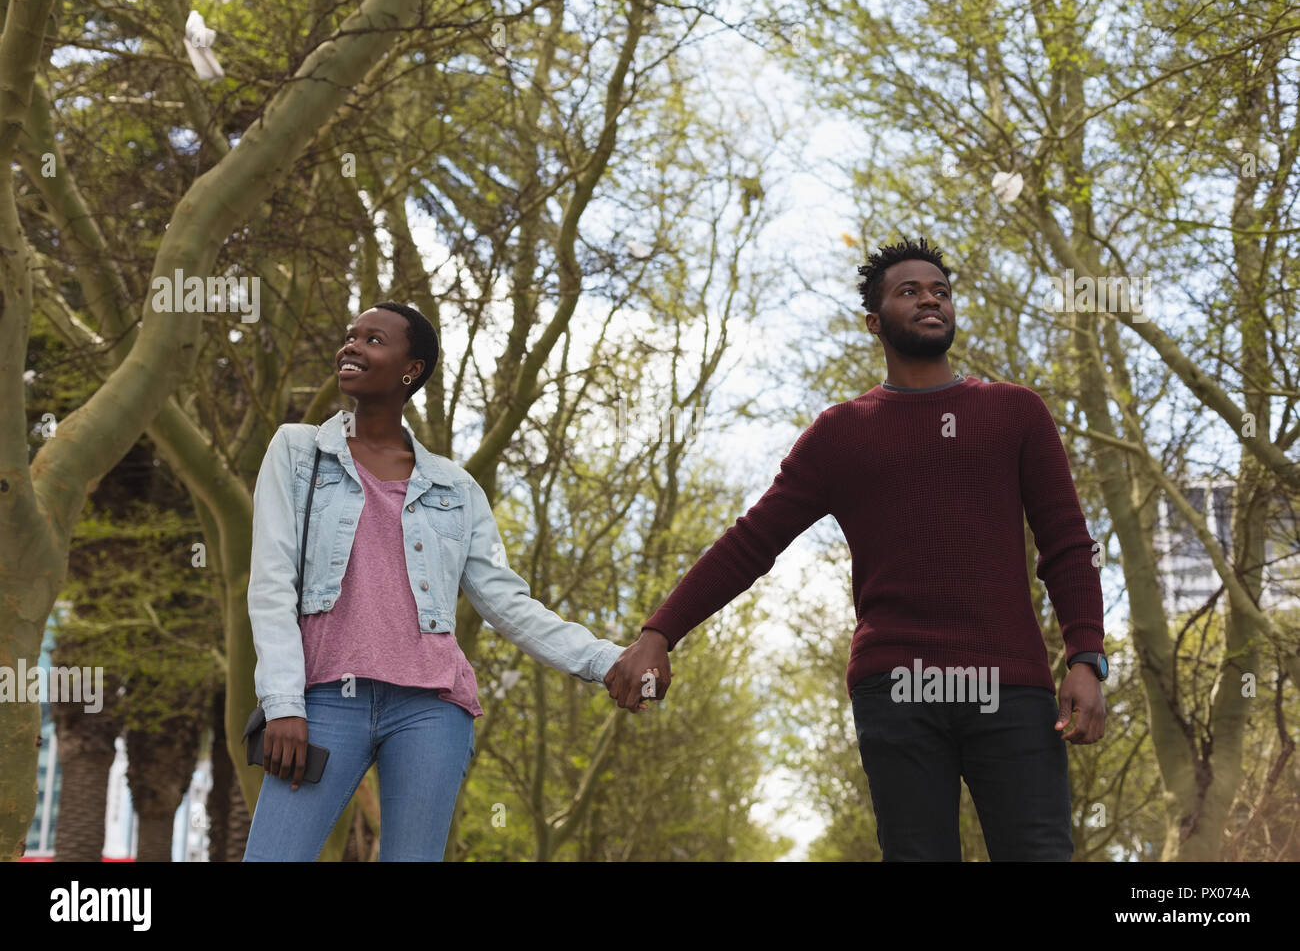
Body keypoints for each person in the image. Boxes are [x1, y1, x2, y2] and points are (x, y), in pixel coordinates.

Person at [606, 236, 1108, 860]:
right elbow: (751, 542)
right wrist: (659, 633)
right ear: (875, 322)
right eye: (910, 290)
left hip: (1010, 684)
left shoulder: (1015, 413)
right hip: (897, 688)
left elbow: (1067, 545)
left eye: (941, 291)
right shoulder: (842, 434)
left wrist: (1086, 657)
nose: (931, 299)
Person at [243, 301, 644, 862]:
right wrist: (283, 702)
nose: (352, 346)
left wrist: (605, 659)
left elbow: (506, 602)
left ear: (412, 369)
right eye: (350, 335)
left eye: (373, 339)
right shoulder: (298, 451)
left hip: (430, 708)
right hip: (325, 697)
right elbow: (270, 583)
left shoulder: (453, 487)